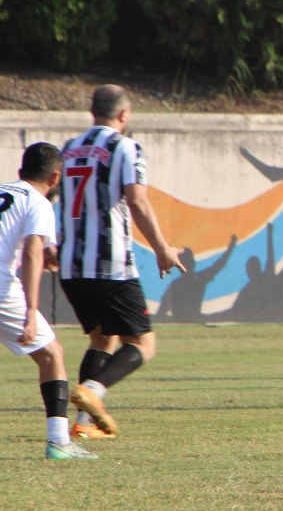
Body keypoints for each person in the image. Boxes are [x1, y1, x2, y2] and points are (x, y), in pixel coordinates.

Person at [59, 85, 186, 438]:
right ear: (124, 114)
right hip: (111, 265)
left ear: (92, 111)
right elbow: (137, 201)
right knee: (142, 344)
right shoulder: (125, 147)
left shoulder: (68, 149)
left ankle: (83, 426)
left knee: (102, 339)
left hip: (72, 266)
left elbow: (55, 197)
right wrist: (162, 247)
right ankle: (92, 392)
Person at [0, 143, 98, 459]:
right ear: (55, 177)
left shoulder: (5, 193)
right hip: (2, 288)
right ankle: (59, 442)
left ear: (20, 171)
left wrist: (47, 248)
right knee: (51, 354)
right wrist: (30, 310)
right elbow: (31, 251)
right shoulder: (39, 202)